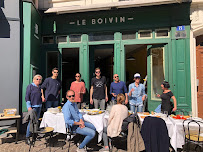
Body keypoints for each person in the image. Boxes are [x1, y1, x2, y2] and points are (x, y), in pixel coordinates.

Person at [25, 74, 43, 145]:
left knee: (36, 122)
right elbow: (27, 97)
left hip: (39, 106)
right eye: (37, 79)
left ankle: (34, 135)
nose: (38, 80)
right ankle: (27, 137)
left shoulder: (39, 87)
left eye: (40, 79)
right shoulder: (30, 86)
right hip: (33, 107)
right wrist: (29, 107)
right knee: (31, 122)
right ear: (34, 79)